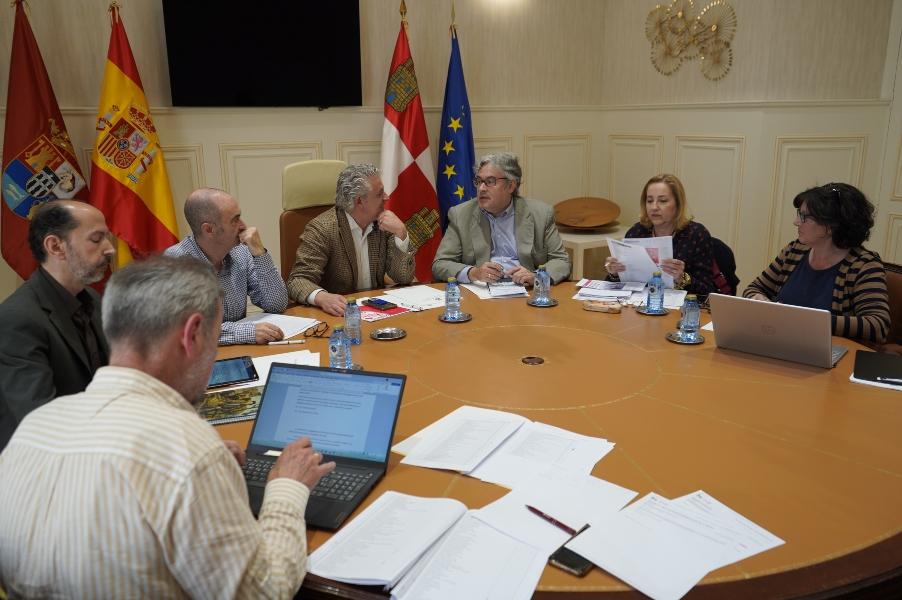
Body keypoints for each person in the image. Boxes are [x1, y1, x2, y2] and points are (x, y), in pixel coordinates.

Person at [0, 256, 335, 598]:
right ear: (192, 335)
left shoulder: (34, 428)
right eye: (215, 339)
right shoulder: (188, 451)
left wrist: (201, 467)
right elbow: (267, 592)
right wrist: (287, 488)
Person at [0, 200, 114, 452]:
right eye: (97, 239)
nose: (110, 249)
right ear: (55, 246)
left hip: (97, 443)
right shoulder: (16, 320)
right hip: (48, 462)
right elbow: (41, 420)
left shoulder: (92, 299)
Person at [744, 183, 890, 343]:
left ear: (831, 225)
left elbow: (878, 325)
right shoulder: (794, 250)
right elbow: (754, 288)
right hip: (781, 343)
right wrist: (758, 299)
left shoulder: (864, 265)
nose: (796, 222)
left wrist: (810, 321)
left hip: (829, 353)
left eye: (804, 216)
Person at [287, 164, 415, 316]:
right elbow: (297, 280)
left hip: (376, 310)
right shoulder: (323, 229)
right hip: (338, 315)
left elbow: (403, 277)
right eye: (380, 194)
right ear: (359, 201)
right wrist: (322, 297)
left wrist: (401, 233)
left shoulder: (383, 224)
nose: (387, 197)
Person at [165, 188, 289, 345]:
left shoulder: (241, 252)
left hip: (240, 351)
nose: (244, 226)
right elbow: (189, 331)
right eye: (235, 220)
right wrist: (247, 332)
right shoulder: (175, 264)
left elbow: (277, 304)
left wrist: (259, 253)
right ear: (209, 229)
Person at [432, 153, 571, 285]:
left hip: (526, 290)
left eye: (490, 181)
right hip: (481, 291)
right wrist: (474, 273)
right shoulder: (460, 214)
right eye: (478, 181)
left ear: (510, 186)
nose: (481, 188)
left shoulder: (541, 214)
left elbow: (561, 261)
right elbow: (440, 264)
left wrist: (536, 276)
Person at [604, 173, 715, 297]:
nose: (654, 207)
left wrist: (681, 278)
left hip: (679, 306)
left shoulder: (696, 234)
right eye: (649, 201)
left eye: (662, 201)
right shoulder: (637, 232)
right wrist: (614, 273)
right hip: (637, 303)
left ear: (678, 204)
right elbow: (617, 286)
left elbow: (708, 291)